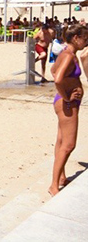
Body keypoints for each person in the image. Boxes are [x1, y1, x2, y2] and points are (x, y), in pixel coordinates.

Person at [49, 24, 88, 196]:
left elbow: (52, 70)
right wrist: (67, 97)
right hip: (67, 104)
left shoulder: (66, 53)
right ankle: (54, 185)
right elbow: (57, 79)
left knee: (61, 141)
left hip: (64, 103)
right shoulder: (68, 56)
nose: (86, 42)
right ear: (76, 38)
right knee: (69, 144)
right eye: (85, 38)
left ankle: (62, 177)